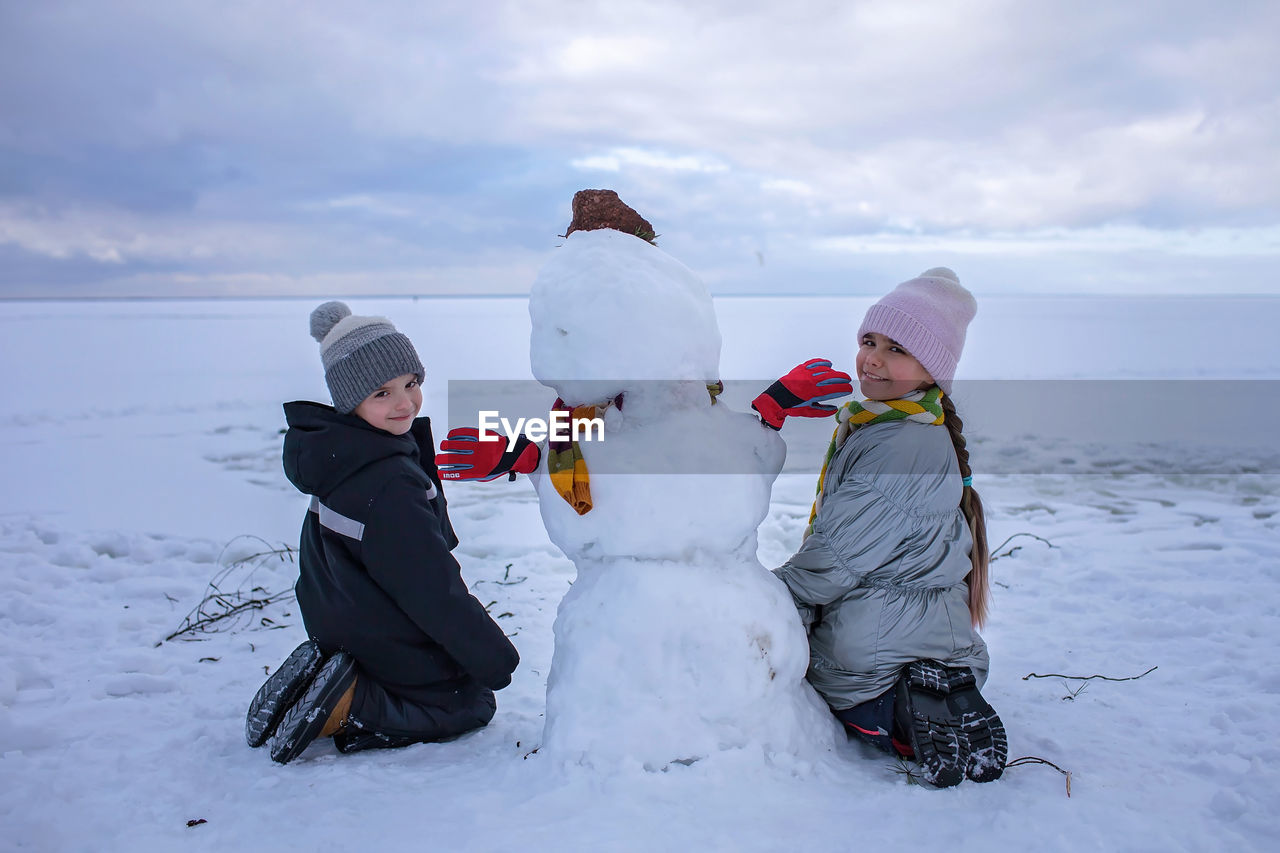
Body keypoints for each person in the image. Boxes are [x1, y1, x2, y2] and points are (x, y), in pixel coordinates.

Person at [244, 301, 520, 765]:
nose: (405, 403)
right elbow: (430, 588)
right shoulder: (387, 481)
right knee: (469, 702)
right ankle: (351, 703)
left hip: (341, 624)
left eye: (411, 384)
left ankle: (331, 674)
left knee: (452, 676)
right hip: (379, 634)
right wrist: (494, 659)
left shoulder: (339, 456)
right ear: (350, 400)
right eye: (381, 393)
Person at [772, 268, 1006, 787]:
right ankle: (936, 692)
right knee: (871, 659)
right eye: (869, 341)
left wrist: (765, 596)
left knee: (834, 682)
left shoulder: (900, 443)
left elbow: (836, 560)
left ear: (932, 370)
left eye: (896, 349)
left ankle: (902, 717)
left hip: (870, 654)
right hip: (919, 634)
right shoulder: (896, 423)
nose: (872, 359)